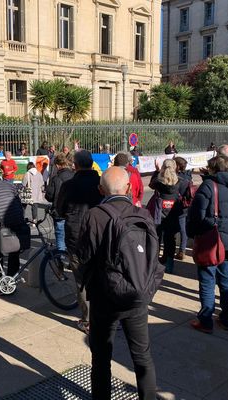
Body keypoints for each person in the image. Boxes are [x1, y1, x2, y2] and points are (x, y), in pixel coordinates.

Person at [76, 167, 160, 400]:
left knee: (101, 358)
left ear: (100, 190)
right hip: (137, 294)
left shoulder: (95, 215)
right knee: (142, 357)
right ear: (130, 188)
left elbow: (84, 257)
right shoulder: (142, 215)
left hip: (104, 297)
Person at [187, 155, 228, 333]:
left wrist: (192, 233)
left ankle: (206, 320)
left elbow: (196, 215)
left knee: (207, 279)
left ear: (212, 168)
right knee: (227, 279)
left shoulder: (210, 185)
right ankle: (227, 318)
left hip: (213, 240)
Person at [56, 150, 103, 334]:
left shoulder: (69, 185)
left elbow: (60, 209)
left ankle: (88, 320)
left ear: (75, 165)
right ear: (92, 164)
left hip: (76, 237)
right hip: (99, 234)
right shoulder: (101, 181)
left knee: (82, 280)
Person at [148, 159, 182, 273]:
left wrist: (157, 171)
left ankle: (154, 263)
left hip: (158, 214)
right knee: (170, 239)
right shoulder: (180, 182)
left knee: (156, 238)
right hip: (172, 214)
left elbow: (151, 184)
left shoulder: (158, 182)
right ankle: (169, 263)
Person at [45, 153, 74, 252]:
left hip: (59, 212)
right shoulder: (74, 176)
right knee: (71, 239)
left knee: (60, 238)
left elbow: (49, 196)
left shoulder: (56, 178)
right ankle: (71, 263)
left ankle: (60, 262)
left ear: (57, 165)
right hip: (72, 212)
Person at [175, 157, 192, 260]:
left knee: (172, 229)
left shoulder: (176, 178)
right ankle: (182, 250)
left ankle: (178, 250)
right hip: (184, 206)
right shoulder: (188, 177)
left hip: (175, 206)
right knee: (183, 229)